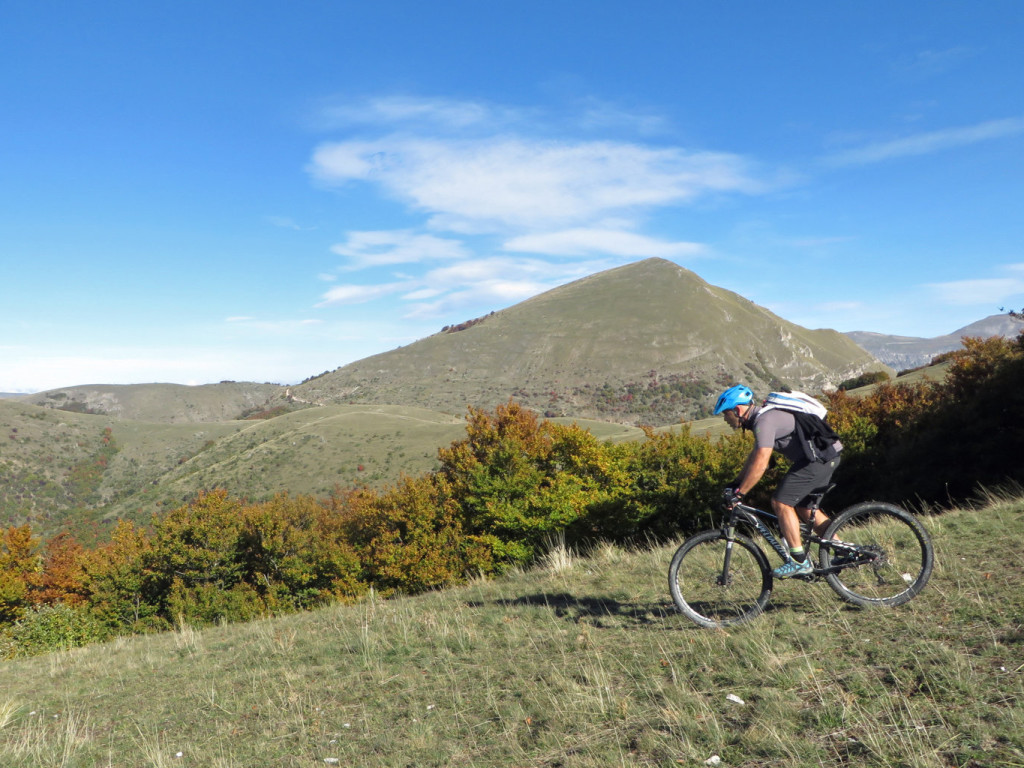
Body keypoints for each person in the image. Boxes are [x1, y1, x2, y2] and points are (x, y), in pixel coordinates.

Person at [713, 384, 843, 578]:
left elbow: (761, 462)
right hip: (825, 456)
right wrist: (735, 483)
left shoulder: (764, 421)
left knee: (780, 501)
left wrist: (740, 494)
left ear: (737, 410)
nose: (725, 419)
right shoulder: (762, 419)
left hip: (820, 459)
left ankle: (799, 561)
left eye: (725, 414)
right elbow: (754, 458)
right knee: (804, 509)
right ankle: (843, 551)